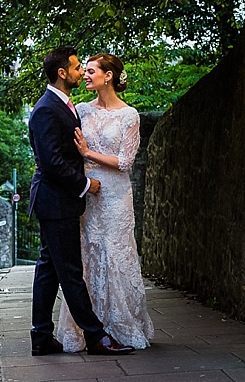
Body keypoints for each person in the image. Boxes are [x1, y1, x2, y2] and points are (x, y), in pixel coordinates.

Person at [28, 46, 134, 357]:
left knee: (48, 268)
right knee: (71, 271)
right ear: (62, 73)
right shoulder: (47, 108)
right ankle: (96, 337)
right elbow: (51, 163)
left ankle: (41, 337)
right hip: (55, 201)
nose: (80, 72)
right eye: (76, 68)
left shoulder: (64, 105)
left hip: (56, 201)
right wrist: (86, 183)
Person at [57, 52, 155, 352]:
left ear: (107, 76)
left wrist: (89, 154)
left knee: (116, 254)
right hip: (89, 194)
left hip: (115, 195)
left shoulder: (129, 115)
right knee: (89, 255)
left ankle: (121, 325)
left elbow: (125, 161)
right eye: (83, 70)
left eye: (90, 71)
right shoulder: (82, 111)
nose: (84, 75)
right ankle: (91, 329)